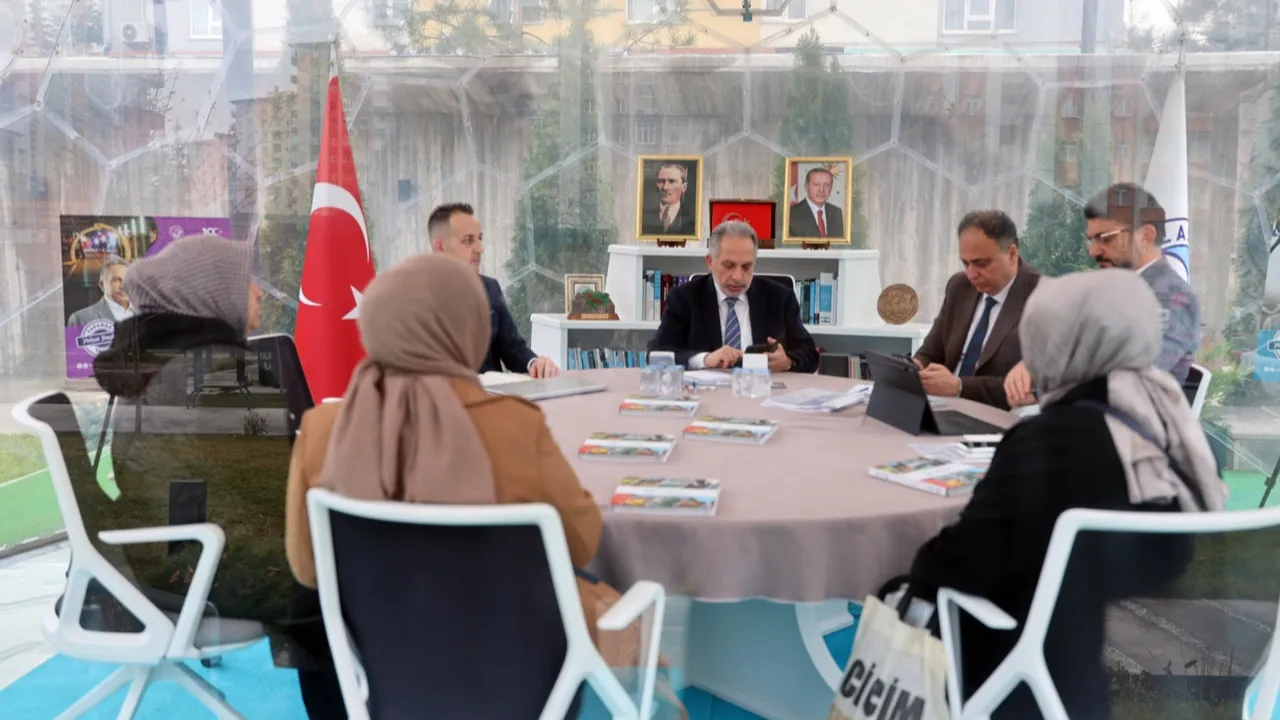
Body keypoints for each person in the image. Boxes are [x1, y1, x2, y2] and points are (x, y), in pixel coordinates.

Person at [284, 254, 672, 713]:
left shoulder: (321, 430)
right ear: (467, 329)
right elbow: (582, 542)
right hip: (522, 685)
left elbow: (307, 569)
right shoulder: (516, 427)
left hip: (387, 684)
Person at [906, 269, 1226, 720]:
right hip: (1117, 680)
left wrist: (910, 575)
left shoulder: (1052, 441)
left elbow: (962, 563)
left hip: (1022, 682)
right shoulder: (1169, 425)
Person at [88, 236, 332, 707]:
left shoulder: (153, 359)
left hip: (157, 556)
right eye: (246, 281)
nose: (259, 292)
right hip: (198, 569)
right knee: (339, 578)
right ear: (210, 295)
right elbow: (281, 494)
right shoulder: (222, 368)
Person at [1005, 182, 1202, 406]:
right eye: (1092, 240)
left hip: (1129, 422)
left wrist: (1041, 393)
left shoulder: (1173, 297)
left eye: (1106, 238)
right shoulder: (1113, 290)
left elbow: (1134, 375)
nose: (1093, 251)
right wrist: (1033, 365)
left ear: (1146, 236)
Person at [648, 220, 818, 373]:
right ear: (710, 262)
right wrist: (705, 359)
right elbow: (657, 354)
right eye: (729, 265)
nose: (737, 277)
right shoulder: (683, 299)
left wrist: (787, 361)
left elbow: (810, 354)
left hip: (762, 391)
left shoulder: (780, 298)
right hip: (706, 393)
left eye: (746, 267)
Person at [912, 210, 1041, 410]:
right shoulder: (959, 286)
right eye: (965, 263)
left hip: (1000, 415)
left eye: (981, 263)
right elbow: (930, 352)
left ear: (1012, 254)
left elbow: (1033, 387)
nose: (971, 274)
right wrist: (914, 368)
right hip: (943, 407)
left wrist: (960, 387)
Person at [428, 203, 559, 378]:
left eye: (479, 238)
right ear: (440, 247)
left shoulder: (490, 288)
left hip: (492, 392)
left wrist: (535, 363)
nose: (480, 249)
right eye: (468, 241)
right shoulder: (414, 298)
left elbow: (512, 349)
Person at [68, 255, 133, 326]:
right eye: (116, 280)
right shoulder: (79, 319)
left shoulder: (142, 312)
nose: (123, 286)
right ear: (102, 285)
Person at [787, 167, 845, 240]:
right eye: (816, 184)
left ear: (831, 188)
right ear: (806, 187)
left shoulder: (836, 212)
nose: (821, 190)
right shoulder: (792, 214)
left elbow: (839, 244)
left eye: (827, 185)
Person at [640, 163, 695, 236]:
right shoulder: (644, 217)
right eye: (660, 181)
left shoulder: (692, 219)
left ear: (684, 187)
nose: (665, 187)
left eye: (672, 181)